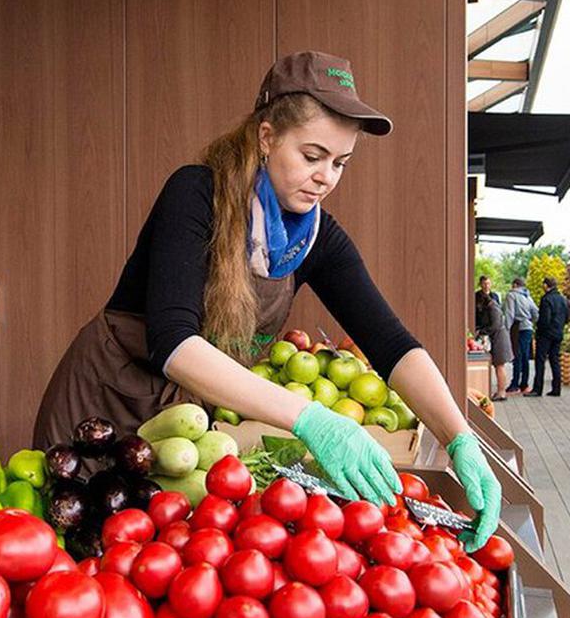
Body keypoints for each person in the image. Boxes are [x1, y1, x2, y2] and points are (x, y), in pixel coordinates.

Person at [34, 51, 502, 549]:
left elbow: (391, 344)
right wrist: (311, 417)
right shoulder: (195, 194)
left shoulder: (315, 239)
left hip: (183, 431)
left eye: (340, 162)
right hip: (104, 406)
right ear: (266, 137)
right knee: (71, 553)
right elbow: (173, 342)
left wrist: (459, 437)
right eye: (312, 155)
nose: (326, 177)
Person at [527, 276, 570, 397]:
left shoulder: (546, 299)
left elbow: (544, 319)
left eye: (543, 285)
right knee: (555, 360)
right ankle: (556, 389)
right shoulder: (563, 299)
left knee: (540, 361)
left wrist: (539, 331)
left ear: (546, 285)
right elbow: (567, 317)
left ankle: (537, 389)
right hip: (558, 333)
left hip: (546, 335)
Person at [503, 277, 538, 393]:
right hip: (528, 328)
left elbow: (509, 314)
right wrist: (530, 321)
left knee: (517, 356)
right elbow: (535, 312)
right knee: (525, 357)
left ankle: (514, 385)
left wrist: (506, 329)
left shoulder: (511, 295)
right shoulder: (528, 296)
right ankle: (524, 384)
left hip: (517, 328)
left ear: (514, 285)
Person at [484, 292, 513, 401]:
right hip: (500, 338)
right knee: (499, 366)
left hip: (500, 340)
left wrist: (483, 330)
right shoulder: (495, 308)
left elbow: (495, 325)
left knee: (499, 366)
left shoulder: (493, 309)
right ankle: (501, 391)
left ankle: (501, 392)